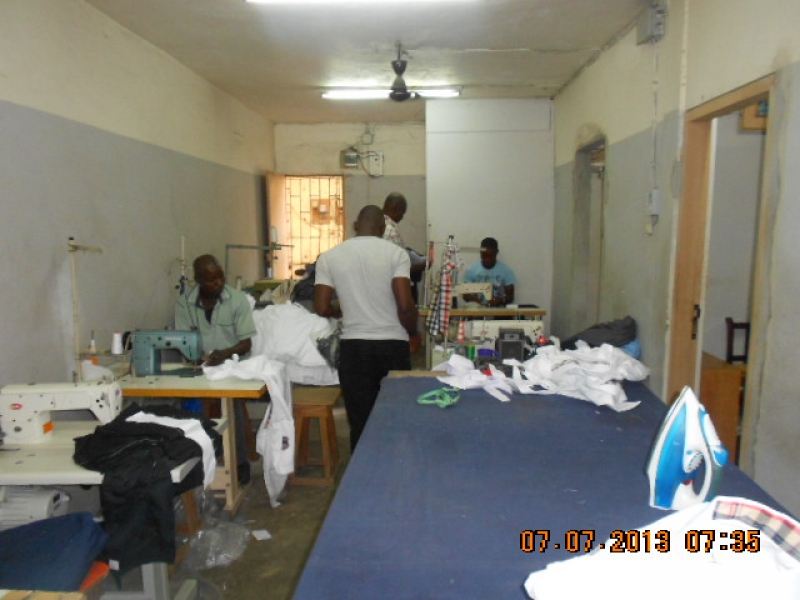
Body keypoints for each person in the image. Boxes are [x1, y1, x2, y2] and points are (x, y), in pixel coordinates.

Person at [314, 205, 419, 451]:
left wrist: (339, 308)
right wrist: (414, 333)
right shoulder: (396, 254)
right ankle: (395, 466)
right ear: (382, 229)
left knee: (360, 421)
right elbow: (405, 306)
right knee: (396, 417)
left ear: (355, 226)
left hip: (354, 349)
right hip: (393, 346)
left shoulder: (329, 257)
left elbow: (321, 307)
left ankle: (362, 472)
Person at [175, 253, 257, 483]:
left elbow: (246, 343)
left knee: (231, 404)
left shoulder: (237, 300)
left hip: (232, 365)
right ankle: (197, 462)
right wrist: (197, 357)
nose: (218, 283)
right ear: (198, 280)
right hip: (201, 365)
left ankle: (239, 462)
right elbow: (183, 340)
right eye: (212, 280)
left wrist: (224, 354)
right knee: (188, 406)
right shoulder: (184, 303)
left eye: (221, 277)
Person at [382, 191, 426, 300]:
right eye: (402, 213)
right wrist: (420, 266)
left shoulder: (380, 224)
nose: (402, 217)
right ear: (396, 209)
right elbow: (395, 266)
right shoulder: (390, 230)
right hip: (392, 288)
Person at [463, 237, 517, 307]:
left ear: (496, 252)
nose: (487, 259)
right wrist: (475, 299)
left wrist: (499, 301)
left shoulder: (506, 271)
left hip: (499, 312)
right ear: (480, 252)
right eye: (484, 255)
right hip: (478, 310)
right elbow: (465, 295)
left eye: (491, 256)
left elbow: (510, 297)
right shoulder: (471, 271)